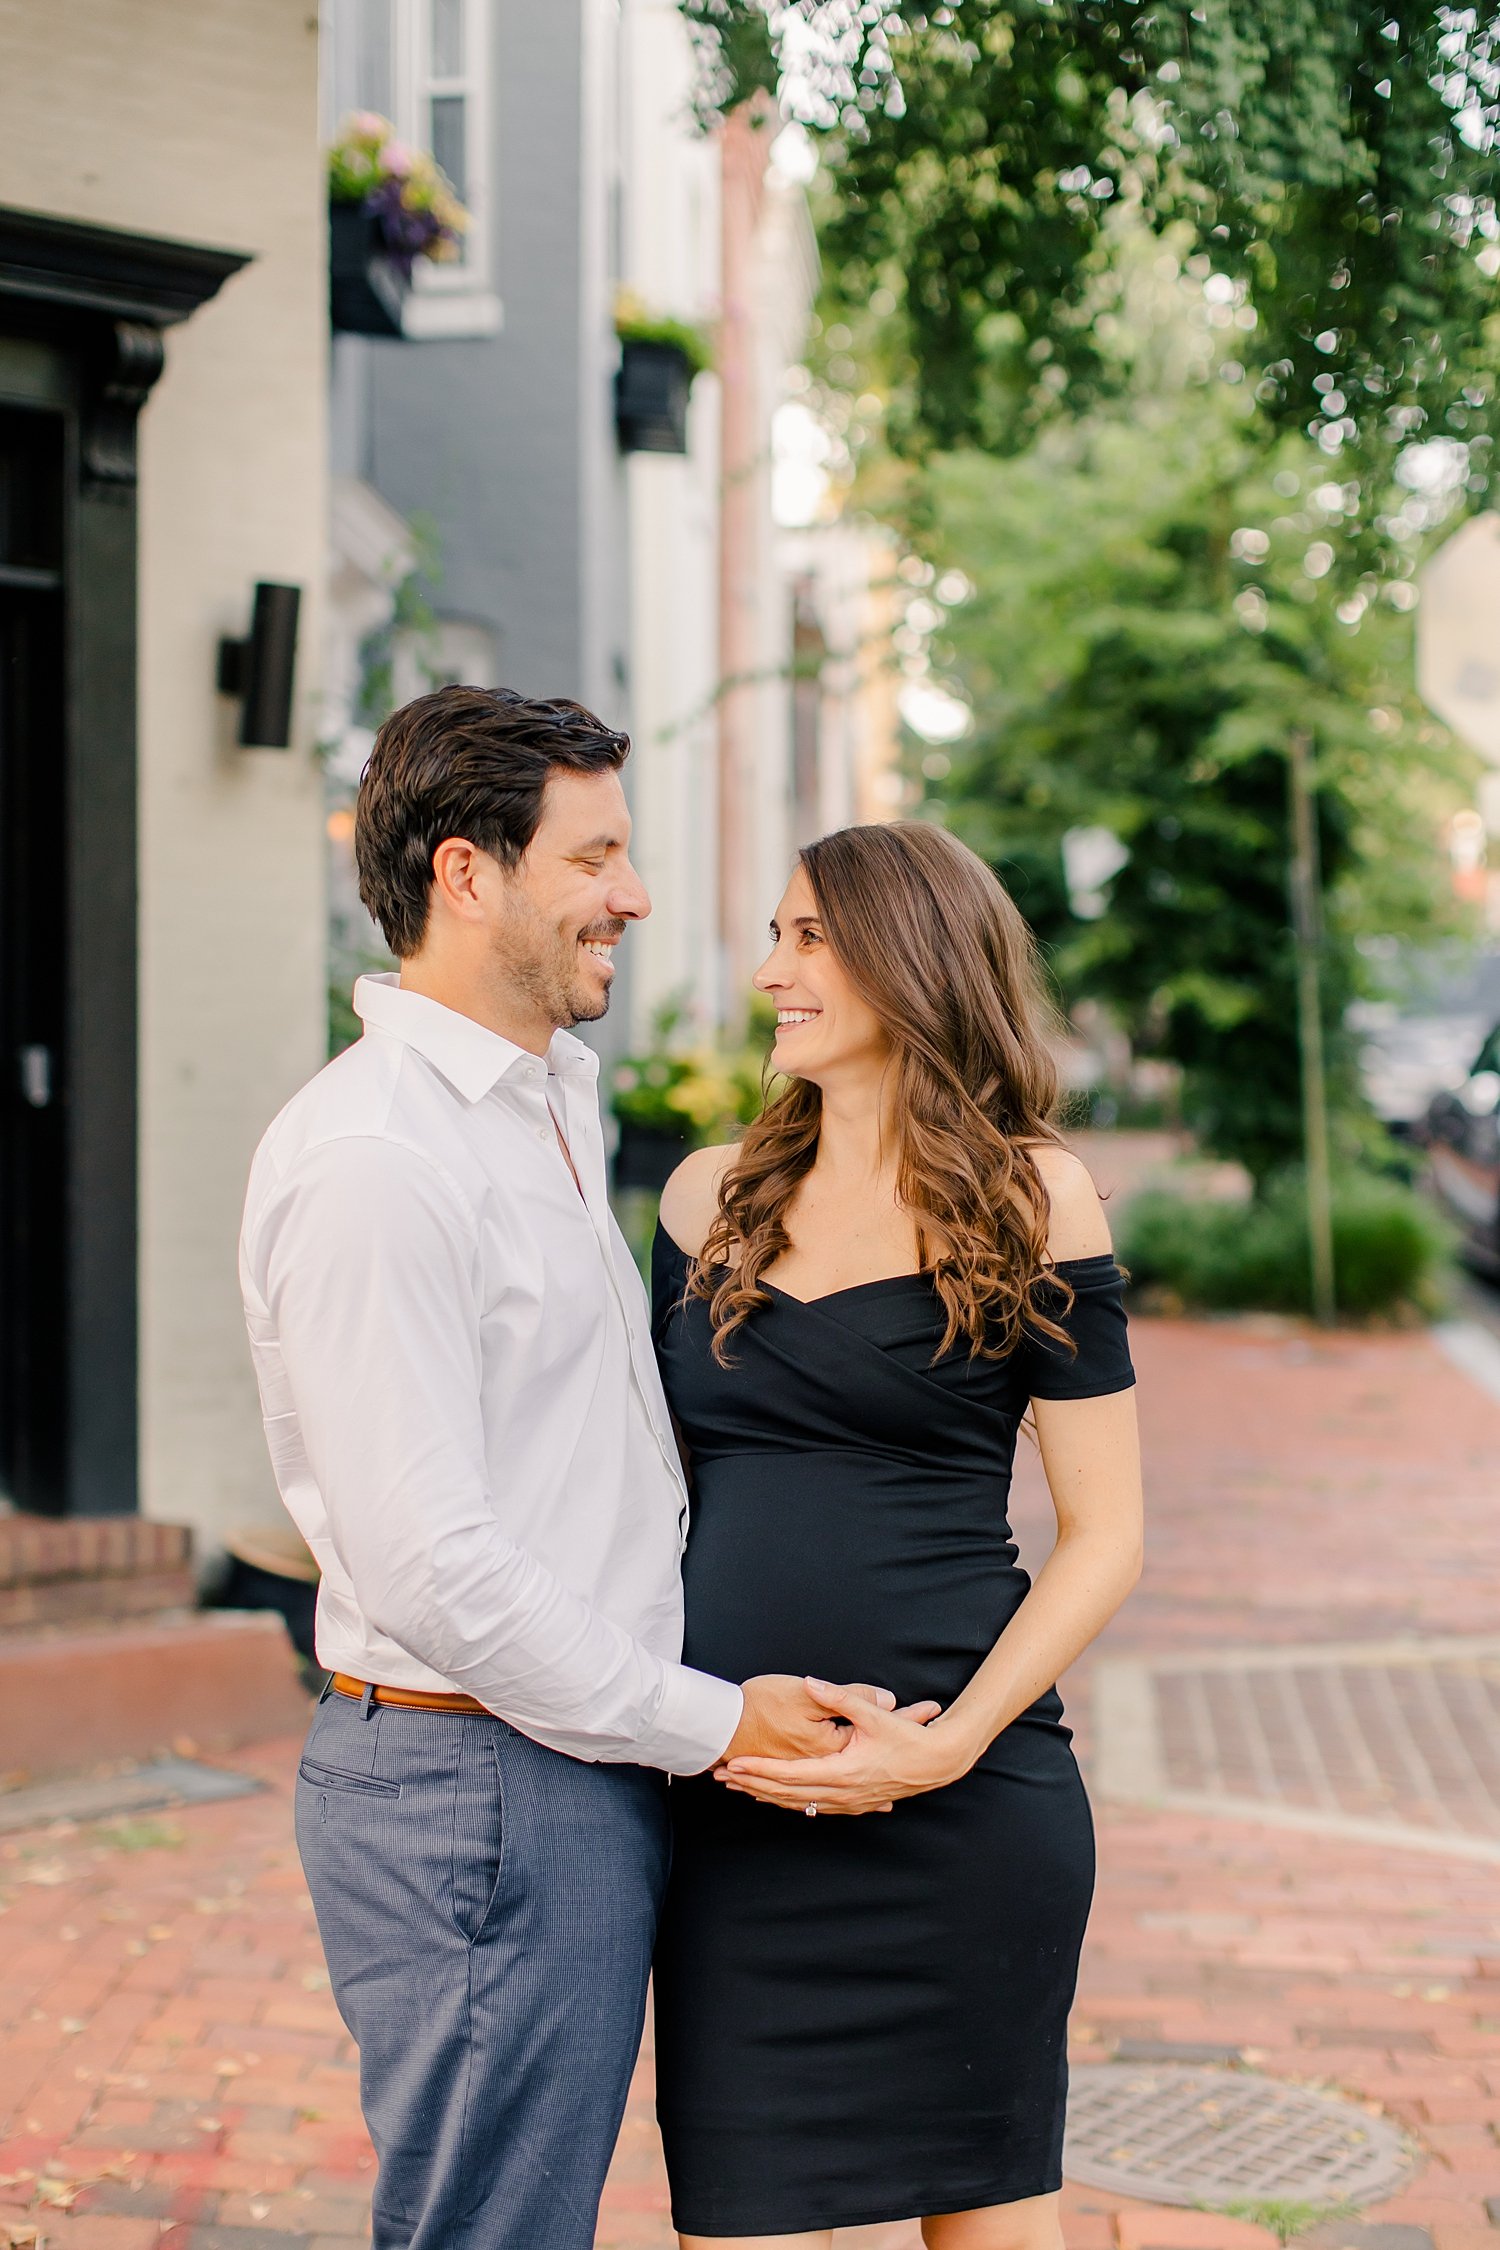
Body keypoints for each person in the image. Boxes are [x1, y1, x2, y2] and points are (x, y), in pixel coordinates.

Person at [238, 686, 888, 2250]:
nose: (637, 895)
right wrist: (708, 1716)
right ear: (469, 875)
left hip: (554, 1766)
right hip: (485, 1787)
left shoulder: (535, 1111)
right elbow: (432, 1564)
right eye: (594, 855)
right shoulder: (381, 1159)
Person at [650, 820, 1145, 2249]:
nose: (768, 974)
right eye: (776, 934)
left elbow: (1105, 1534)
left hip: (968, 1802)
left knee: (995, 2220)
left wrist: (949, 1742)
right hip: (737, 1801)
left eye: (806, 938)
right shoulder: (704, 1196)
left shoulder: (1032, 1194)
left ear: (907, 956)